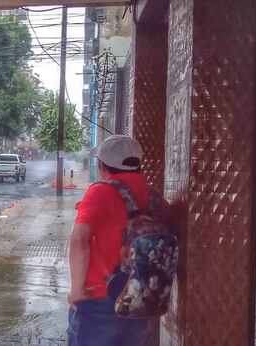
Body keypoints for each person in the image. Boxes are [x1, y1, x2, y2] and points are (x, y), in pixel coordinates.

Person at [66, 135, 162, 346]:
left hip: (101, 299)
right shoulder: (153, 195)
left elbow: (79, 240)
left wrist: (77, 290)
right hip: (142, 298)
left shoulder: (101, 192)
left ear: (101, 166)